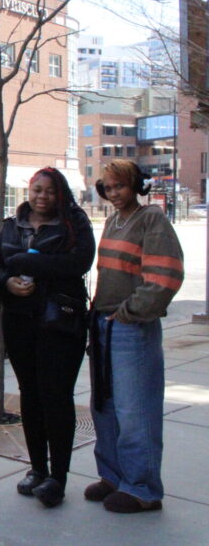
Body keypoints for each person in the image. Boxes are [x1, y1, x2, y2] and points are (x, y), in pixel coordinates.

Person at [0, 168, 95, 508]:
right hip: (21, 322)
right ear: (28, 190)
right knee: (29, 395)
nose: (42, 196)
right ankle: (37, 469)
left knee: (56, 396)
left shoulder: (74, 222)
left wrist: (26, 263)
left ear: (60, 193)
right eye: (37, 189)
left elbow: (79, 262)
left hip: (59, 323)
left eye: (50, 191)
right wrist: (7, 281)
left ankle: (57, 478)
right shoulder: (12, 224)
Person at [86, 160, 183, 513]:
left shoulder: (151, 219)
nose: (113, 194)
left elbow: (166, 275)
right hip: (103, 324)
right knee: (105, 406)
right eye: (108, 187)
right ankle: (113, 476)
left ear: (135, 186)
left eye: (120, 186)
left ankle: (142, 488)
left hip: (130, 327)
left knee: (135, 410)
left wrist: (129, 312)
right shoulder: (113, 220)